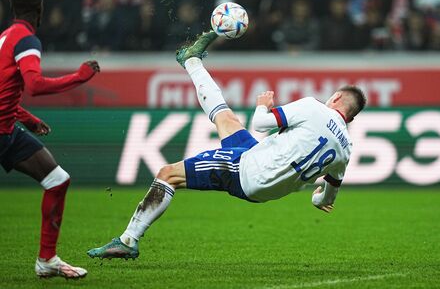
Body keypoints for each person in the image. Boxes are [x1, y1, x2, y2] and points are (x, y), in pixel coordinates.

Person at [87, 31, 366, 260]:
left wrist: (263, 105)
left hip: (248, 171)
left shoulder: (313, 107)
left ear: (337, 98)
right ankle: (192, 61)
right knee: (226, 118)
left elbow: (260, 123)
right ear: (351, 117)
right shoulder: (346, 148)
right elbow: (325, 200)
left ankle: (128, 240)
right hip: (264, 183)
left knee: (167, 174)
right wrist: (316, 197)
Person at [0, 0, 100, 279]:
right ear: (40, 9)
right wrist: (79, 77)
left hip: (7, 129)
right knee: (57, 181)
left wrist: (26, 118)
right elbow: (35, 84)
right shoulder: (26, 39)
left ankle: (47, 260)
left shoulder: (5, 36)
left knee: (57, 180)